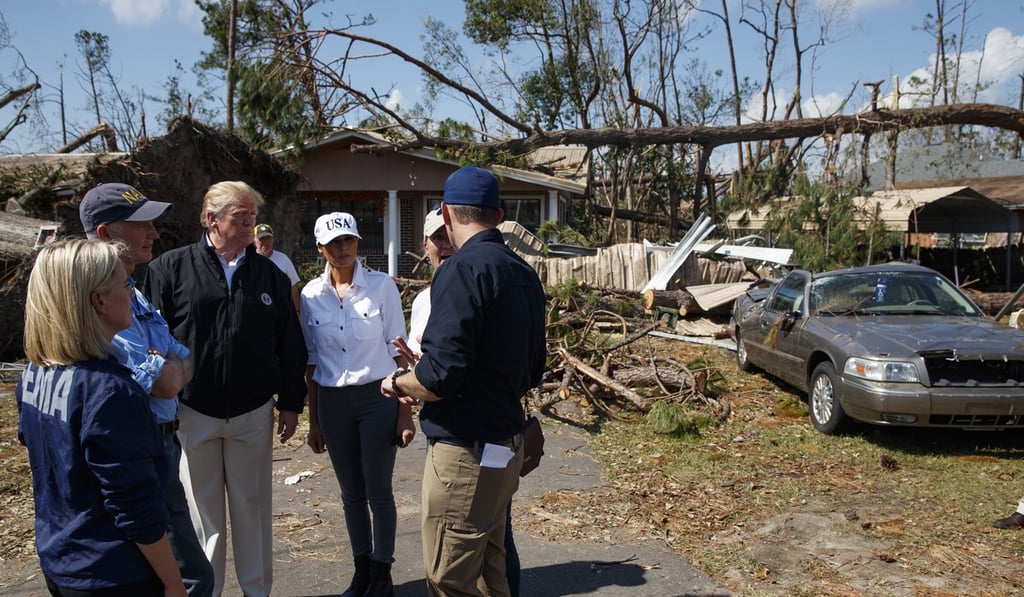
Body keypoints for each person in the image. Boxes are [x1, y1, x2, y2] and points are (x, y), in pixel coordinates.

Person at [381, 166, 547, 596]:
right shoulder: (523, 273)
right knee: (493, 570)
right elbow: (532, 367)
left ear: (446, 212)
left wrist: (399, 383)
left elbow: (440, 377)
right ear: (500, 213)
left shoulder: (459, 271)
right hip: (505, 447)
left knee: (449, 578)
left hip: (465, 454)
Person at [142, 180, 308, 597]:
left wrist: (291, 403)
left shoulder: (269, 274)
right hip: (192, 412)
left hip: (252, 413)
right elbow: (148, 341)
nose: (251, 222)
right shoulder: (169, 269)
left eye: (252, 214)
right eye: (241, 215)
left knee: (252, 511)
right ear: (212, 219)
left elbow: (291, 343)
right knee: (202, 517)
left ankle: (256, 591)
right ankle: (206, 591)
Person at [16, 239, 188, 597]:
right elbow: (134, 507)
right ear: (99, 301)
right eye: (126, 285)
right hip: (114, 572)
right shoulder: (110, 391)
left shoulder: (35, 373)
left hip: (61, 557)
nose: (132, 293)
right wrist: (173, 582)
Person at [79, 182, 215, 596]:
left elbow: (182, 357)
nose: (154, 233)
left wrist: (171, 363)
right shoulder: (100, 300)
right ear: (105, 234)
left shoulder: (132, 291)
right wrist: (171, 365)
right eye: (141, 225)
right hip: (141, 450)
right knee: (192, 577)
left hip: (164, 444)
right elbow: (168, 380)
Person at [301, 211, 416, 597]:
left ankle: (383, 573)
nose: (343, 248)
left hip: (377, 397)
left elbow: (400, 354)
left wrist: (404, 412)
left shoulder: (381, 286)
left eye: (348, 240)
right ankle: (362, 568)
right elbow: (312, 361)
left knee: (378, 491)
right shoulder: (310, 295)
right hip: (333, 403)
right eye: (334, 243)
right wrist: (313, 421)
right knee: (351, 493)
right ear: (320, 248)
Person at [254, 223, 301, 313]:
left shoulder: (283, 259)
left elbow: (293, 287)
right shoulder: (248, 261)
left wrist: (297, 311)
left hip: (280, 311)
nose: (265, 242)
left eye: (268, 238)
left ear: (273, 240)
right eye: (261, 239)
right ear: (254, 240)